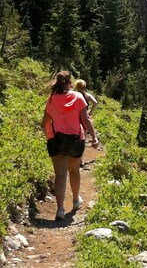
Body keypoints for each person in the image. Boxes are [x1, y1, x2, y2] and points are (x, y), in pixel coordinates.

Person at [42, 71, 99, 221]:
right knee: (74, 171)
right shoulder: (78, 97)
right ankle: (75, 200)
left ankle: (60, 209)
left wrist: (50, 137)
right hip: (75, 140)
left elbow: (46, 121)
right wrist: (94, 138)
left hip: (57, 141)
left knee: (60, 174)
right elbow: (86, 120)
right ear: (69, 83)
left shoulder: (51, 99)